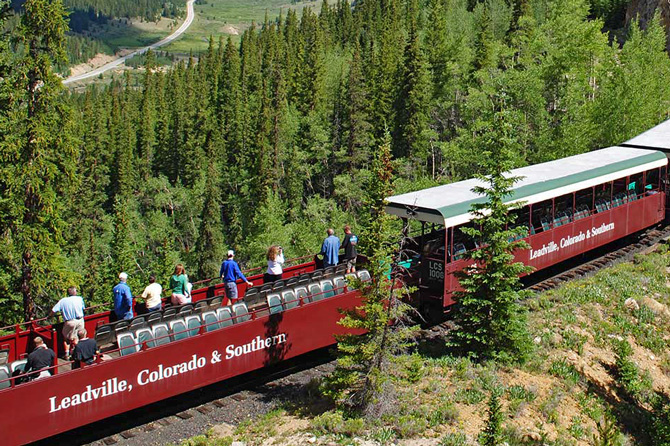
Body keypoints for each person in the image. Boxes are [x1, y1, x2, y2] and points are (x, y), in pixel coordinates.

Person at [49, 286, 86, 359]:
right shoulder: (79, 299)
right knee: (79, 336)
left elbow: (54, 310)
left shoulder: (63, 301)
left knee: (66, 338)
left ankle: (67, 354)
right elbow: (84, 309)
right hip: (80, 320)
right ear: (75, 292)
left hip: (70, 321)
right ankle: (79, 352)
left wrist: (49, 316)